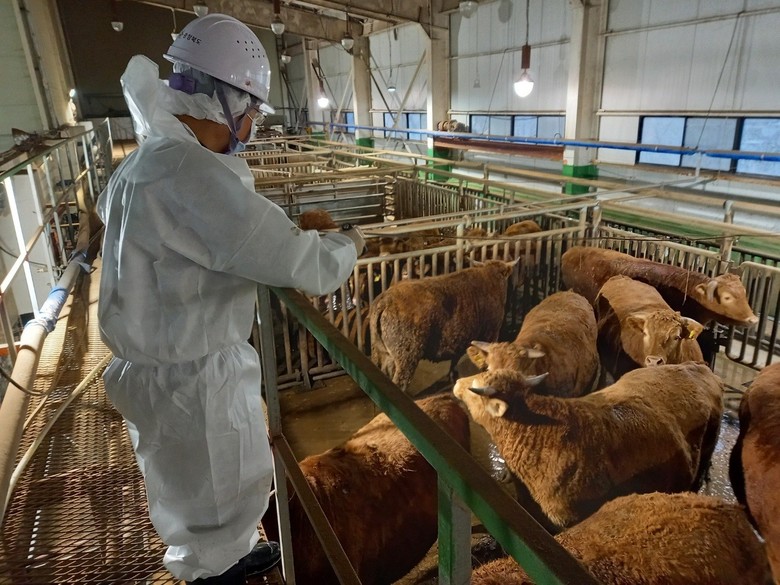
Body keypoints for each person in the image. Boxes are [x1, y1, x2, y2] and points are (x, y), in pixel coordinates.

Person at [97, 14, 364, 585]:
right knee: (215, 486)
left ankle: (225, 557)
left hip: (162, 364)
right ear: (226, 100)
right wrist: (348, 243)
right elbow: (296, 260)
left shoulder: (145, 161)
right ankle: (217, 574)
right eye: (252, 112)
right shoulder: (189, 173)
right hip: (192, 374)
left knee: (195, 486)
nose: (251, 126)